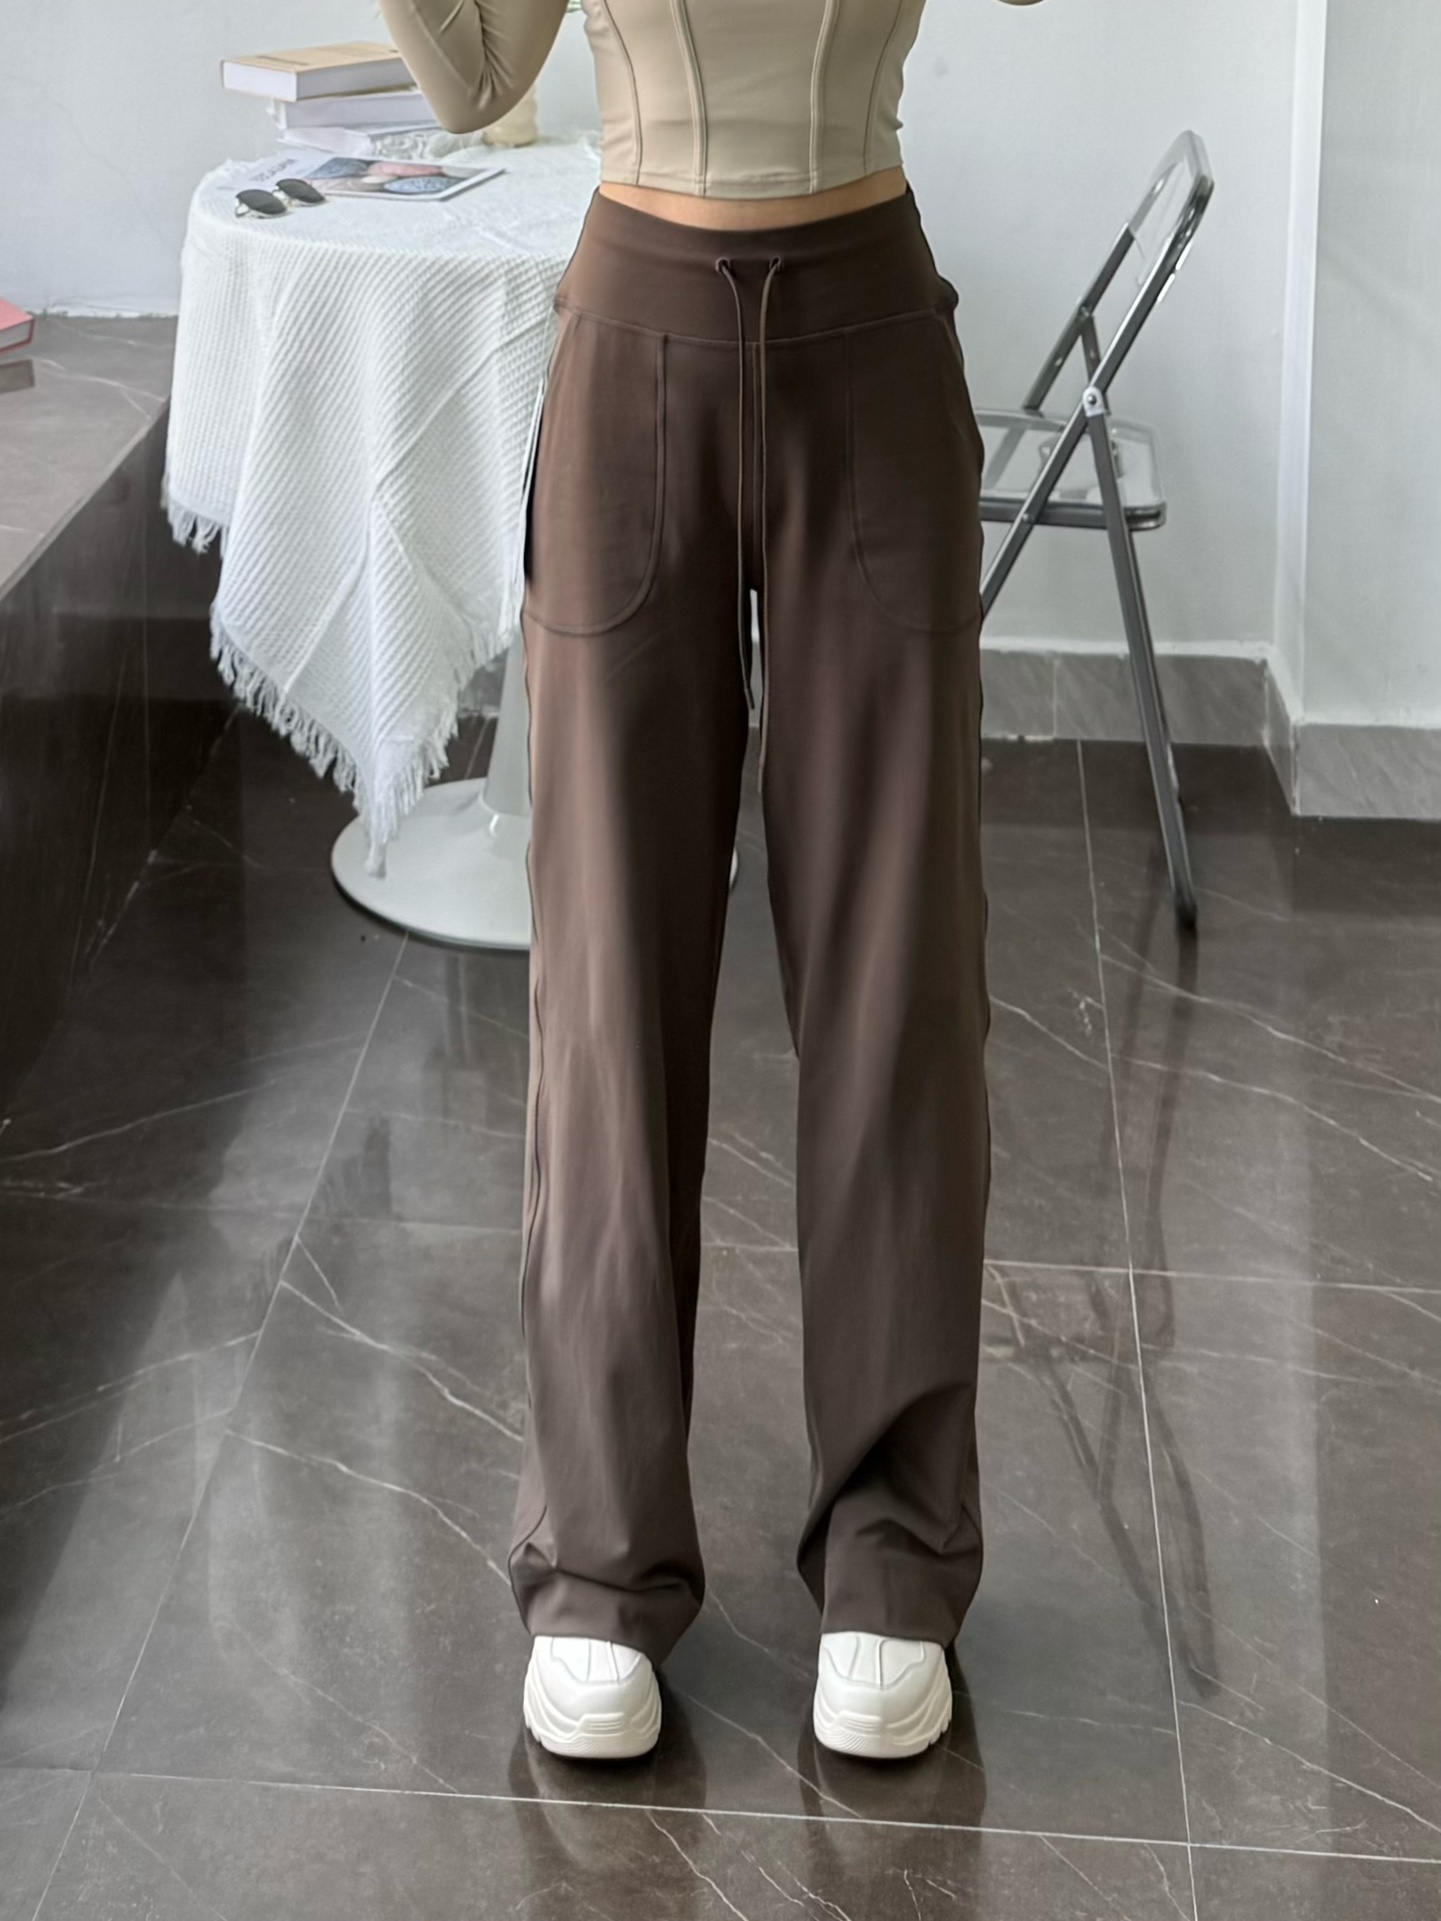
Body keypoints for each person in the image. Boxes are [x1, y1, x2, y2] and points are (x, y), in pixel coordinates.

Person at [378, 0, 1044, 1764]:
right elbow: (474, 75)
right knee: (605, 975)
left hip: (867, 340)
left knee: (900, 970)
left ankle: (892, 1550)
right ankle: (598, 1564)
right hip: (635, 345)